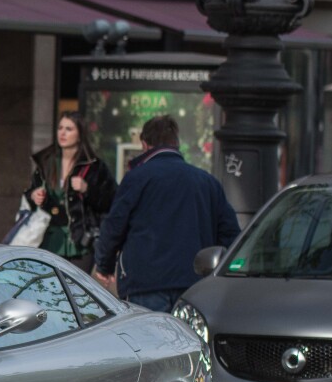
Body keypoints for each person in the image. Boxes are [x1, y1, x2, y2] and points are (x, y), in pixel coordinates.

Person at [93, 115, 240, 312]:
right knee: (191, 341)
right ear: (176, 144)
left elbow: (114, 226)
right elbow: (230, 233)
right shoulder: (207, 182)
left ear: (145, 144)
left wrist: (104, 265)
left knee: (149, 341)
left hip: (146, 282)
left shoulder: (137, 178)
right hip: (194, 284)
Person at [23, 111, 117, 272]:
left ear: (80, 134)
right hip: (48, 238)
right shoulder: (46, 163)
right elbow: (30, 192)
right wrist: (34, 195)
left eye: (69, 129)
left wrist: (87, 189)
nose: (62, 133)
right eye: (60, 128)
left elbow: (112, 200)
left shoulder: (94, 166)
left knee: (74, 292)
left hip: (81, 244)